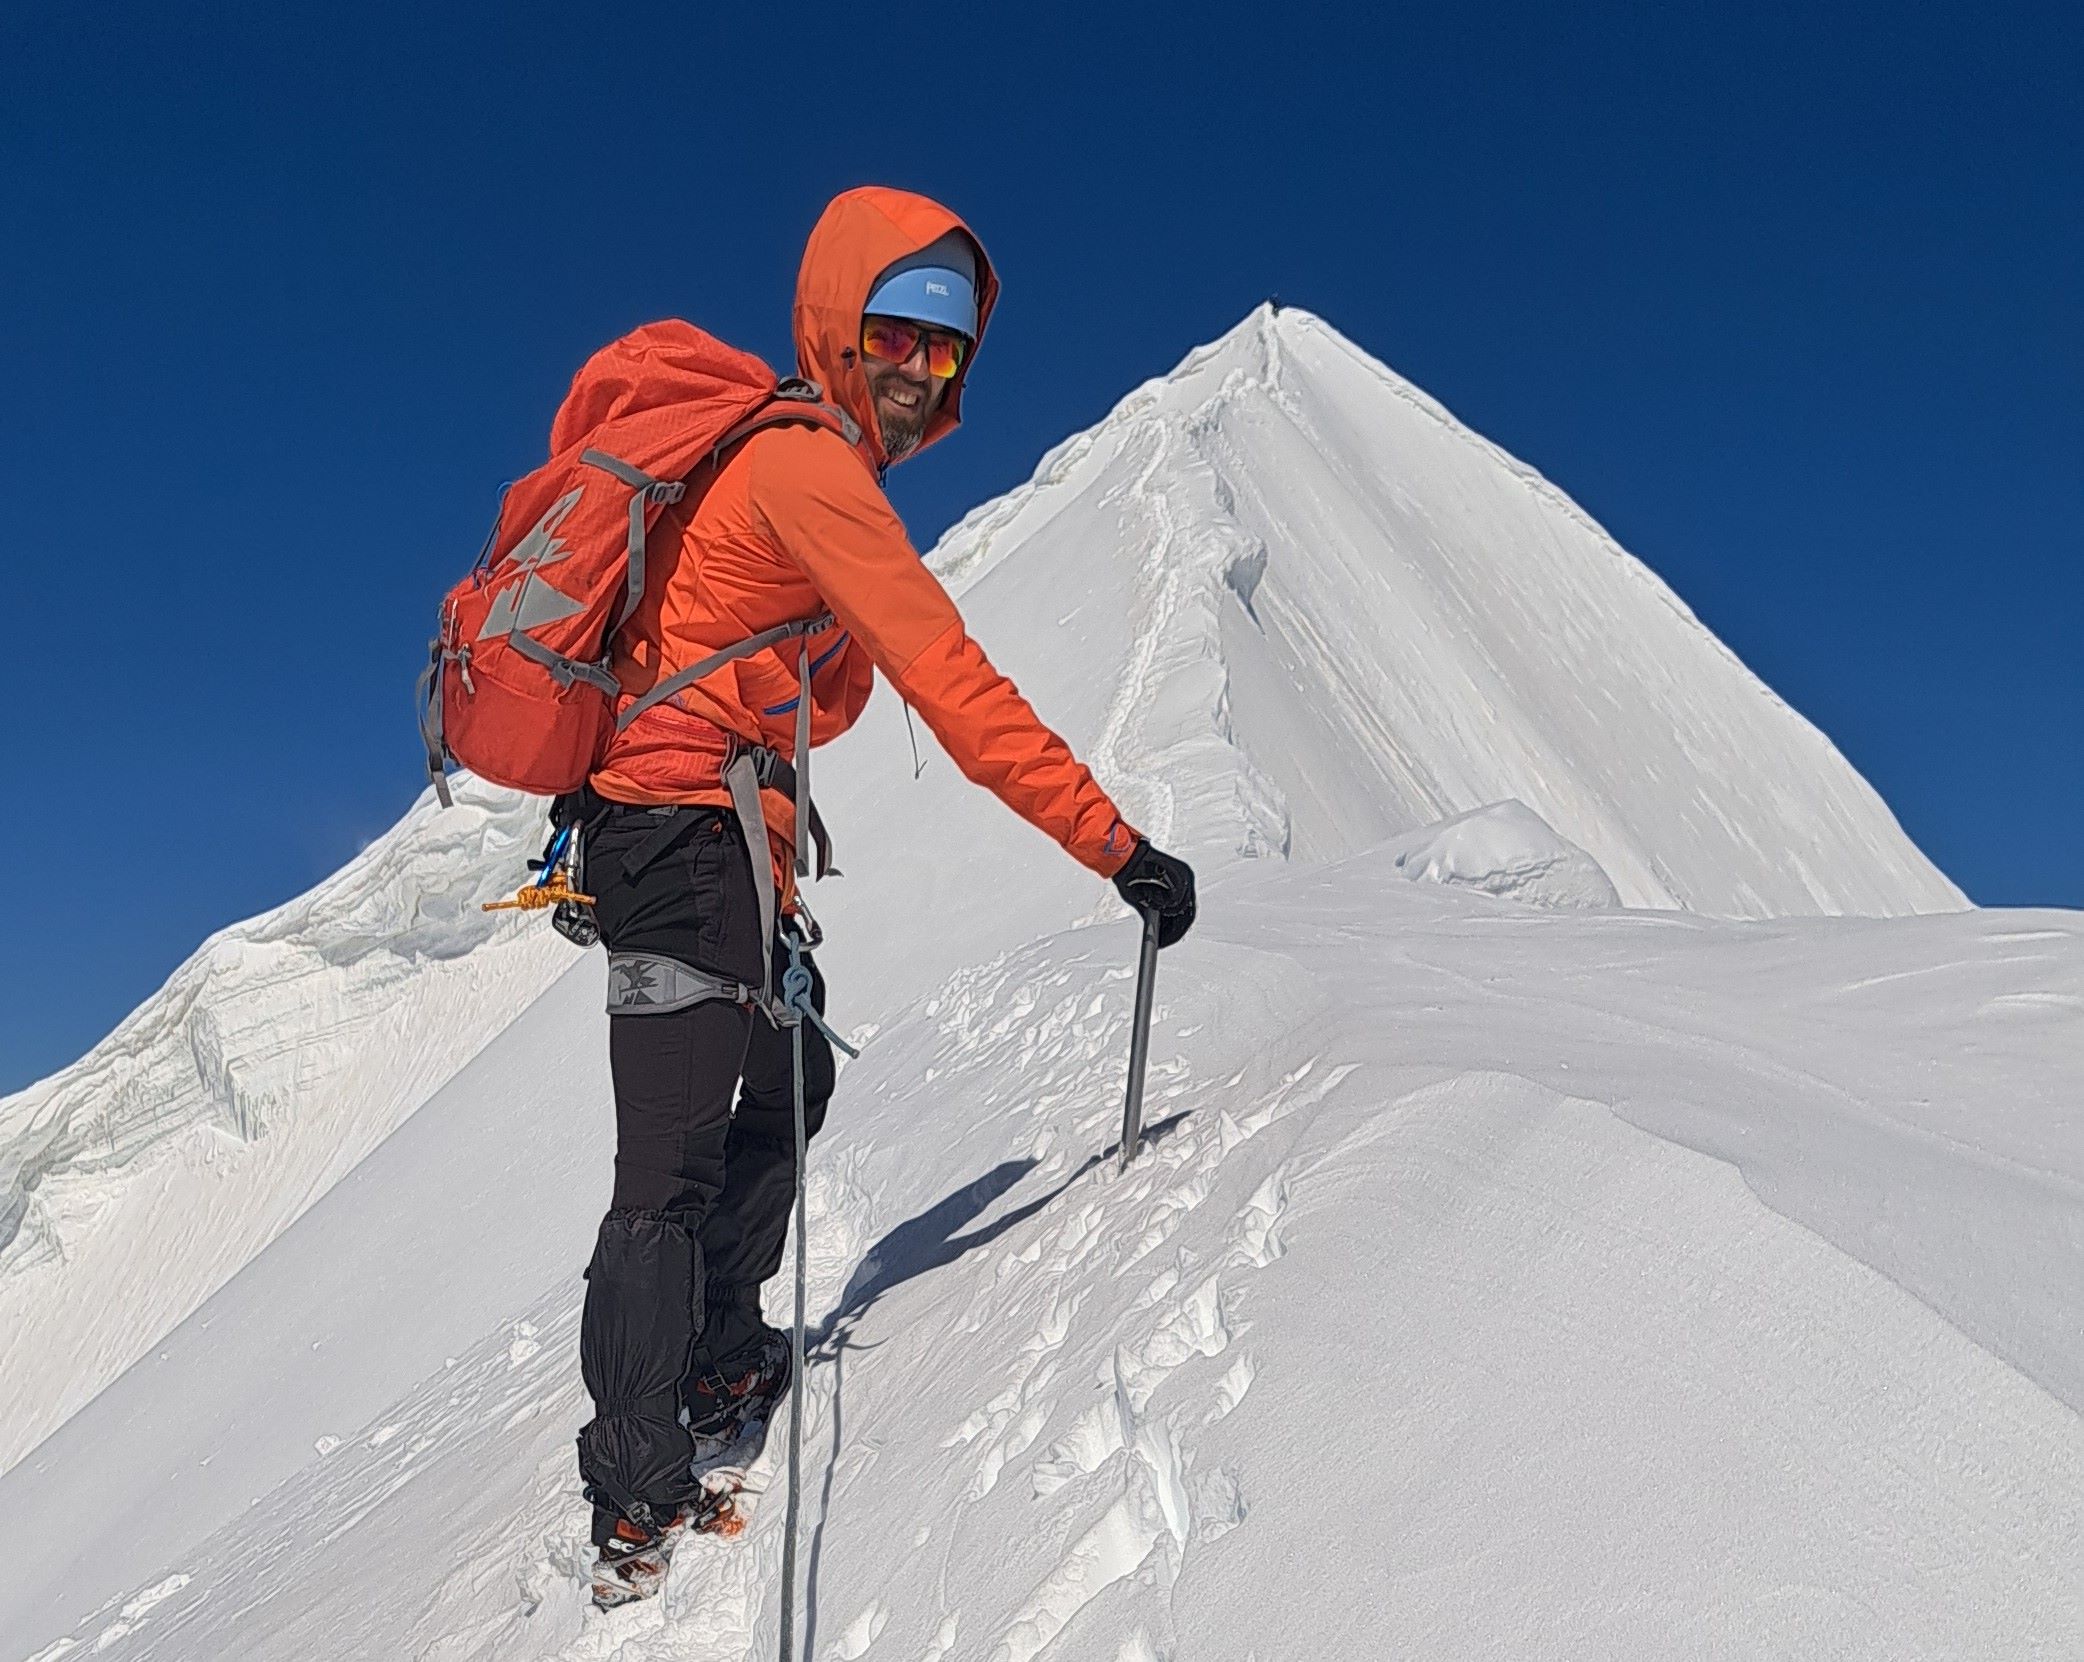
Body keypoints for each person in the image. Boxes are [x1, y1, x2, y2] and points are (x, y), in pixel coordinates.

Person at [563, 186, 1197, 1599]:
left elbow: (807, 688)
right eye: (902, 335)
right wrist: (1117, 846)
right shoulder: (804, 471)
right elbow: (955, 691)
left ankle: (724, 1352)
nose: (924, 374)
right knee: (661, 1172)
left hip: (724, 849)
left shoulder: (795, 476)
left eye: (951, 354)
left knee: (794, 1079)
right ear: (842, 324)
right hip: (677, 839)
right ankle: (635, 1489)